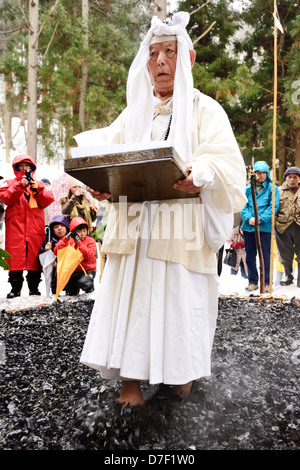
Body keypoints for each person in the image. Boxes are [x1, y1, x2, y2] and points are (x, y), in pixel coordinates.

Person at [75, 12, 247, 407]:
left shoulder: (206, 110)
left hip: (180, 230)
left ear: (186, 59)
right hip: (135, 228)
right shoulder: (134, 113)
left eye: (169, 52)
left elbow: (227, 162)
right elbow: (106, 153)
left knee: (175, 303)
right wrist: (101, 183)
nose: (161, 62)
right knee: (131, 298)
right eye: (153, 54)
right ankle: (130, 385)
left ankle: (177, 373)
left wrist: (201, 173)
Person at [0, 155, 55, 298]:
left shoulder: (39, 184)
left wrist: (38, 190)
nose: (25, 169)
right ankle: (15, 289)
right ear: (16, 167)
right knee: (15, 259)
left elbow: (48, 200)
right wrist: (20, 186)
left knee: (34, 259)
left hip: (35, 228)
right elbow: (6, 198)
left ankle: (34, 289)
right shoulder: (9, 183)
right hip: (15, 228)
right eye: (21, 166)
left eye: (27, 166)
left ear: (32, 168)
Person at [241, 161, 280, 293]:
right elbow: (242, 205)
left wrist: (260, 219)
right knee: (250, 256)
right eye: (258, 173)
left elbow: (273, 207)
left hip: (264, 228)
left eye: (263, 173)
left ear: (267, 173)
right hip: (249, 227)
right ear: (253, 174)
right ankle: (252, 281)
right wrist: (249, 218)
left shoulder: (272, 189)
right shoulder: (247, 189)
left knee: (265, 255)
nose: (261, 175)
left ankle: (267, 282)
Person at [53, 216, 97, 296]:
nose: (82, 234)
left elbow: (88, 255)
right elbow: (56, 251)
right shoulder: (70, 242)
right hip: (74, 270)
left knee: (84, 283)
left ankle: (90, 289)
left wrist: (78, 242)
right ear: (74, 232)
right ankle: (73, 290)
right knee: (65, 286)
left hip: (88, 270)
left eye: (84, 231)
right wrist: (65, 238)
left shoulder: (91, 241)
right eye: (79, 231)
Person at [275, 166, 300, 287]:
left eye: (295, 177)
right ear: (286, 178)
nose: (292, 179)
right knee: (285, 254)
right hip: (283, 227)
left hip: (299, 226)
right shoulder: (278, 191)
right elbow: (274, 209)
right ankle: (288, 276)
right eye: (290, 177)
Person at [39, 214, 70, 295]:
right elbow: (42, 257)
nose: (59, 229)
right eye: (56, 227)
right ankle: (55, 288)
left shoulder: (72, 239)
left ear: (66, 227)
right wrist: (46, 250)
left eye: (62, 226)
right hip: (55, 271)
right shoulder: (49, 241)